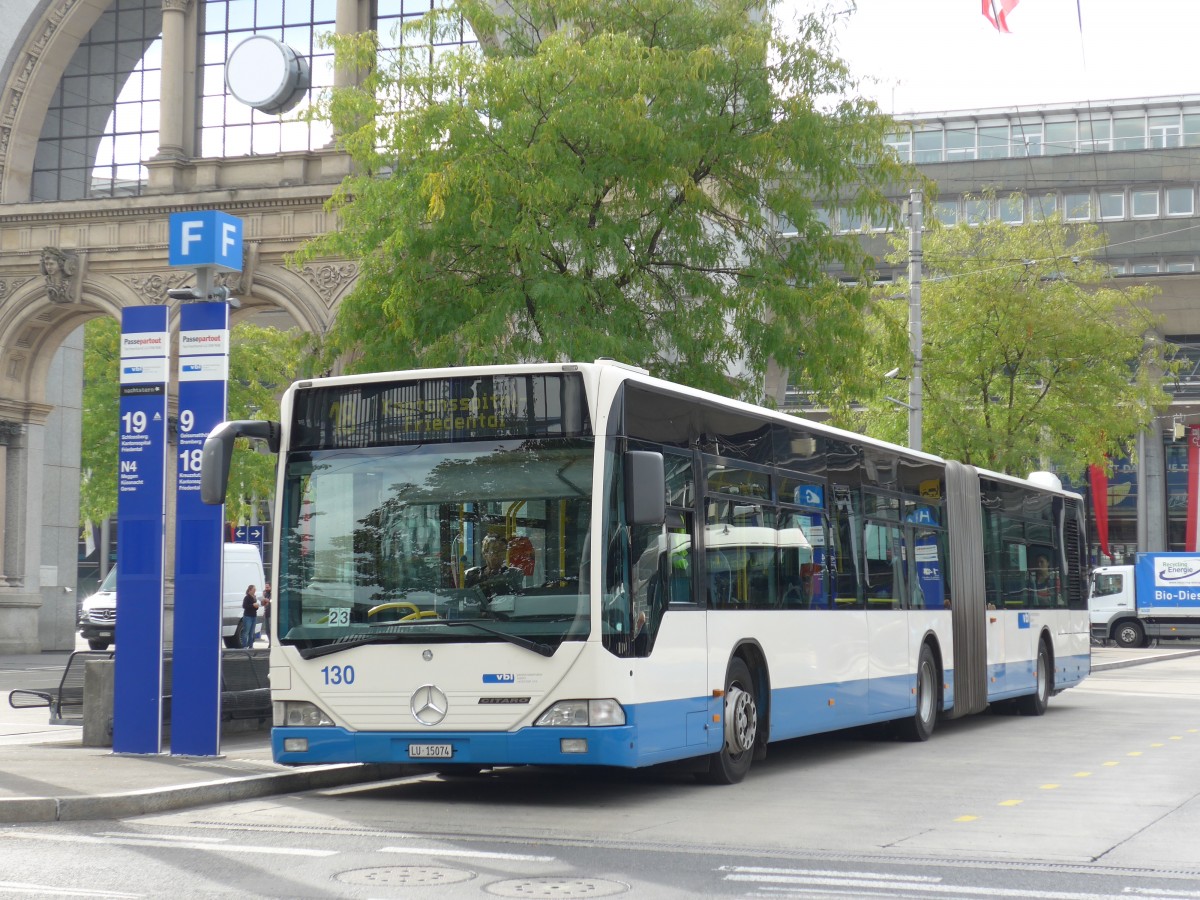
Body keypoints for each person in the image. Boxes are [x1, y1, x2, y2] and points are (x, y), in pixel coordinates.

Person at [464, 533, 524, 599]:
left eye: (503, 551)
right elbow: (467, 596)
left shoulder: (514, 573)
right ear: (485, 553)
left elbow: (517, 597)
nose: (500, 555)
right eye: (495, 550)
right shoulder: (472, 574)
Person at [260, 583, 272, 647]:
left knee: (271, 629)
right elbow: (263, 604)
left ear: (271, 587)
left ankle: (272, 643)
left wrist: (268, 600)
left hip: (271, 614)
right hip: (266, 614)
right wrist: (263, 598)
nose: (266, 589)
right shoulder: (266, 594)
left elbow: (272, 601)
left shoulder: (272, 594)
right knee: (267, 630)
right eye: (266, 587)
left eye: (267, 587)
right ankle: (270, 642)